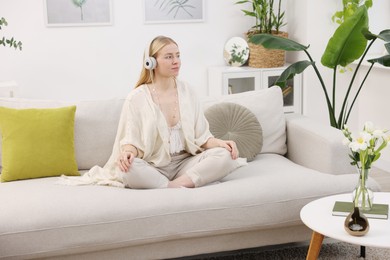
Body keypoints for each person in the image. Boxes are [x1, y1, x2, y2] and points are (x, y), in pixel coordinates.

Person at [60, 35, 244, 189]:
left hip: (185, 163)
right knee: (129, 168)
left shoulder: (188, 92)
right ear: (151, 62)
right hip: (153, 166)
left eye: (178, 55)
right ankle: (179, 185)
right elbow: (131, 140)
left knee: (225, 155)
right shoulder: (137, 98)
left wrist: (221, 143)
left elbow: (202, 137)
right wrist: (128, 153)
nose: (176, 61)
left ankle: (169, 187)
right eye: (169, 57)